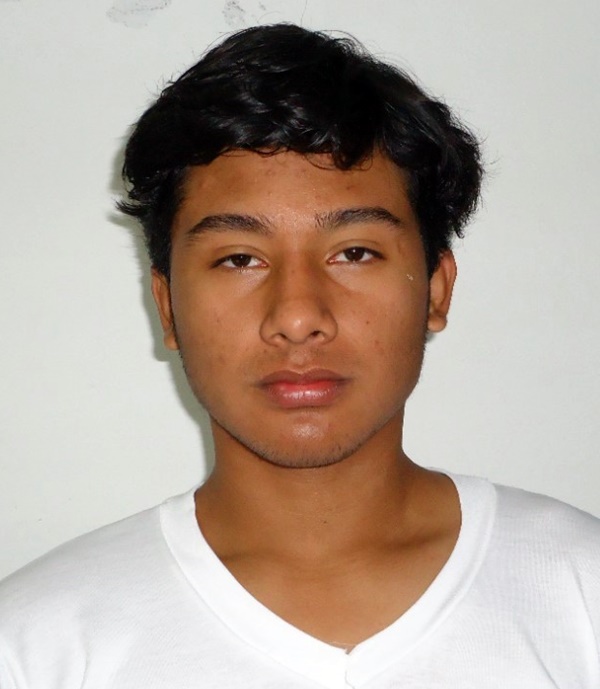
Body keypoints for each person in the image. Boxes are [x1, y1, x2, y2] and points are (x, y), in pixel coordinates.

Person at [0, 23, 598, 689]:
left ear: (436, 288)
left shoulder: (580, 593)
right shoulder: (35, 646)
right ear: (167, 307)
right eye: (239, 258)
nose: (297, 316)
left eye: (354, 252)